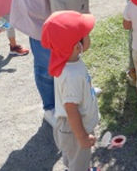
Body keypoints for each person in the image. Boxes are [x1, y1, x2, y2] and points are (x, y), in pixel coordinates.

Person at [41, 11, 99, 171]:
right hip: (74, 129)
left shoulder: (64, 59)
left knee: (71, 157)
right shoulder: (71, 75)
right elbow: (71, 109)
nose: (87, 36)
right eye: (85, 34)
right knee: (78, 161)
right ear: (77, 45)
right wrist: (82, 137)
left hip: (69, 128)